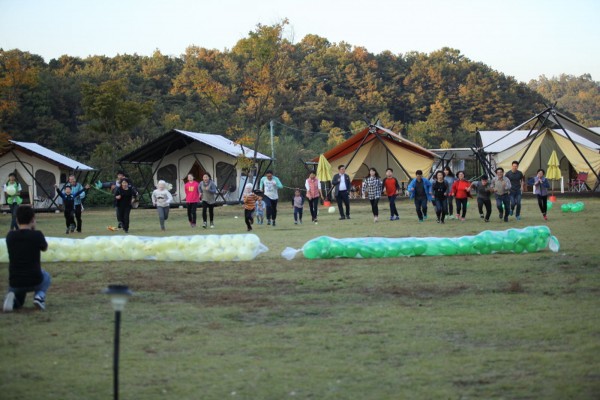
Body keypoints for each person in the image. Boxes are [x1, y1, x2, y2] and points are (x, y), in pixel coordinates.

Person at [3, 206, 50, 312]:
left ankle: (13, 299)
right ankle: (39, 296)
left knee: (19, 297)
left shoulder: (10, 236)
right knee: (46, 276)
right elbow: (44, 248)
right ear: (33, 219)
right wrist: (34, 230)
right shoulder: (37, 235)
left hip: (15, 281)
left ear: (17, 220)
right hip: (35, 279)